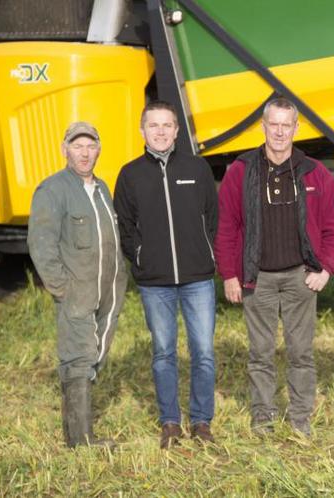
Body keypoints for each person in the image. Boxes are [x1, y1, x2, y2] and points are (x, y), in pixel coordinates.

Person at [215, 97, 334, 437]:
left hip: (300, 277)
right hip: (257, 278)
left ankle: (300, 417)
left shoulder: (315, 172)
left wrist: (327, 269)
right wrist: (229, 273)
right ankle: (263, 417)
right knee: (260, 353)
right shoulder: (241, 172)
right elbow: (226, 225)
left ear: (296, 128)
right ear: (263, 126)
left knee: (301, 352)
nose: (279, 132)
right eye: (273, 124)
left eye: (286, 125)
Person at [114, 101, 218, 448]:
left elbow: (213, 217)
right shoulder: (130, 175)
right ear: (142, 131)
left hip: (198, 278)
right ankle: (170, 423)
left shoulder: (198, 168)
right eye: (153, 125)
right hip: (155, 282)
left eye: (167, 125)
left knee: (203, 351)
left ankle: (202, 422)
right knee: (163, 353)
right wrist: (141, 259)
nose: (160, 131)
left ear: (177, 130)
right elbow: (125, 228)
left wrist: (209, 253)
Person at [28, 121, 127, 448]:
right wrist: (62, 288)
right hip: (77, 293)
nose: (84, 153)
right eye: (77, 146)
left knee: (94, 354)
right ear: (64, 149)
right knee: (79, 358)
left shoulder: (102, 189)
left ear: (98, 149)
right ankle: (81, 440)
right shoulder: (52, 190)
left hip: (107, 292)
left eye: (90, 146)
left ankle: (76, 433)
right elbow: (41, 244)